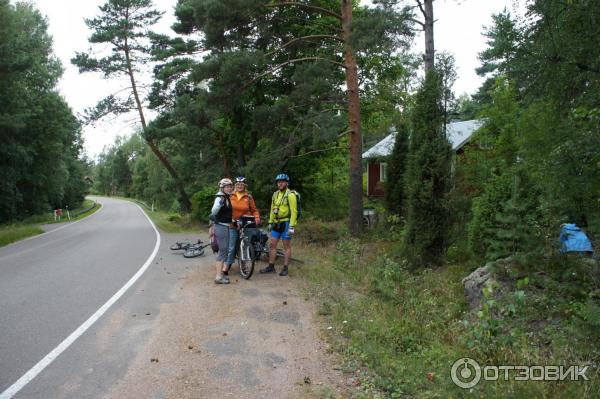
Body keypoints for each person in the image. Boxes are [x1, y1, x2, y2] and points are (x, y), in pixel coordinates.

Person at [260, 173, 297, 276]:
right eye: (278, 182)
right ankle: (271, 266)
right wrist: (270, 222)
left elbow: (294, 212)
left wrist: (292, 226)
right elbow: (272, 209)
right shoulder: (275, 194)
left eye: (282, 182)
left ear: (287, 183)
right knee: (272, 245)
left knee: (286, 246)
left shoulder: (291, 195)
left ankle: (285, 268)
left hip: (286, 223)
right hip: (276, 223)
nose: (280, 184)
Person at [223, 176, 261, 275]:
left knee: (244, 246)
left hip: (246, 224)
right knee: (231, 246)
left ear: (244, 186)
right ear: (235, 185)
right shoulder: (230, 195)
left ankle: (243, 266)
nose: (239, 186)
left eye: (241, 184)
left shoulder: (248, 197)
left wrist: (256, 218)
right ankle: (226, 266)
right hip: (233, 224)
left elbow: (254, 210)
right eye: (238, 184)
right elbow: (225, 209)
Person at [210, 178, 234, 284]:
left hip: (225, 226)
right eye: (227, 187)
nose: (229, 188)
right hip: (221, 226)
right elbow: (214, 211)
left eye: (230, 186)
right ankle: (218, 277)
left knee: (224, 251)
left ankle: (220, 275)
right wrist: (220, 203)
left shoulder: (226, 197)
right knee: (223, 251)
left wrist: (232, 220)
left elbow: (225, 213)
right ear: (222, 188)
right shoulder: (220, 197)